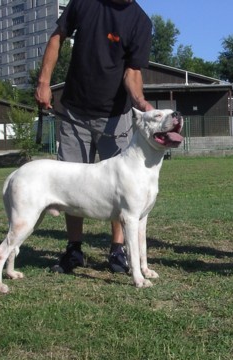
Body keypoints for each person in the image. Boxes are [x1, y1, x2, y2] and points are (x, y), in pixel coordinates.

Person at [35, 0, 155, 274]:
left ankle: (117, 251)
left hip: (116, 116)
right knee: (70, 183)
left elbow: (133, 71)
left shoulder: (140, 21)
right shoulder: (85, 3)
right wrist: (44, 81)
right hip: (74, 109)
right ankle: (74, 249)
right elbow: (58, 36)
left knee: (123, 188)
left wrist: (140, 101)